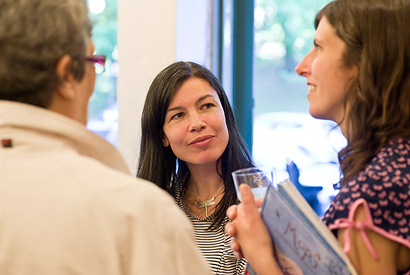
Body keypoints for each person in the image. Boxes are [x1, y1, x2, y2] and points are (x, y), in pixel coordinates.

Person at [0, 1, 212, 274]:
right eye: (93, 61)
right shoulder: (136, 214)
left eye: (207, 105)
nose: (198, 123)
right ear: (67, 76)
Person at [224, 0, 410, 274]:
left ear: (363, 63)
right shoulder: (396, 163)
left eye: (319, 47)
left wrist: (260, 254)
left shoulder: (371, 194)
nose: (301, 66)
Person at [137, 61, 254, 274]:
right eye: (178, 115)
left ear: (225, 113)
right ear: (162, 135)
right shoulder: (155, 210)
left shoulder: (260, 201)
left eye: (207, 106)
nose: (197, 123)